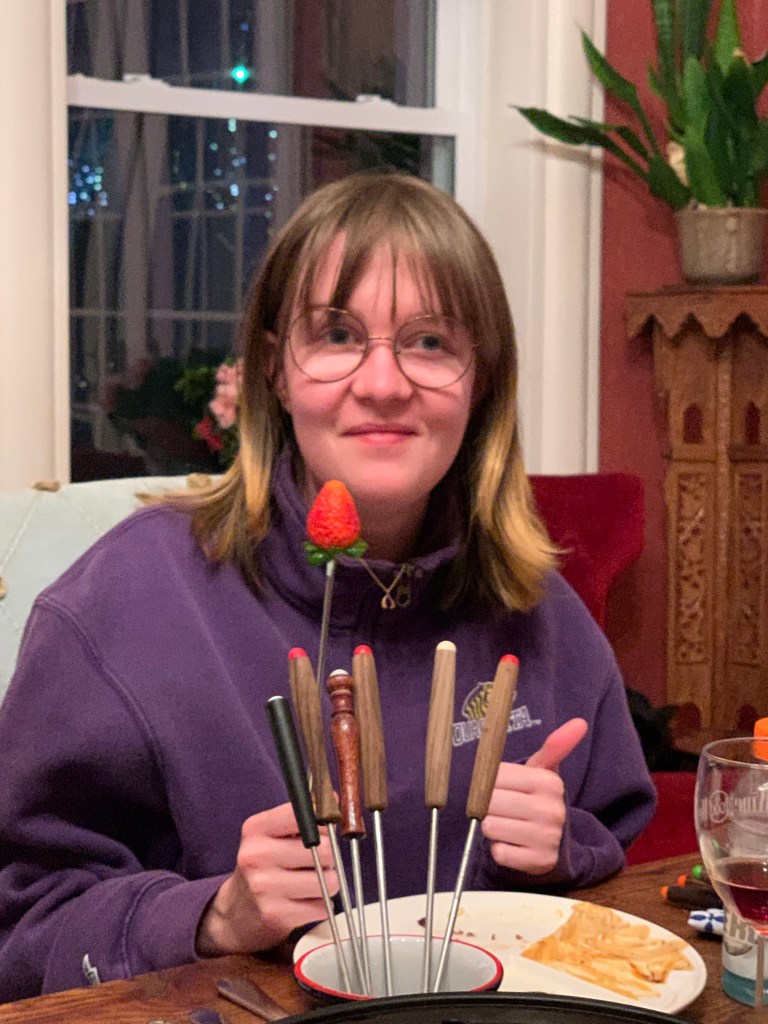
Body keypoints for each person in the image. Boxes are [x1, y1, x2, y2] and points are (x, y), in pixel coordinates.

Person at [0, 172, 655, 1000]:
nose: (383, 384)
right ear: (276, 370)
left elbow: (617, 858)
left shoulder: (541, 609)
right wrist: (210, 917)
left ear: (482, 378)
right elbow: (23, 928)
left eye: (430, 342)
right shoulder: (121, 602)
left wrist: (565, 849)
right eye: (338, 335)